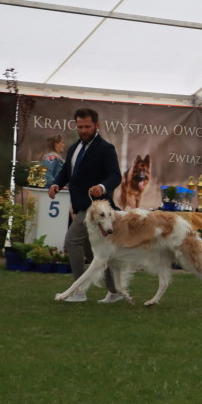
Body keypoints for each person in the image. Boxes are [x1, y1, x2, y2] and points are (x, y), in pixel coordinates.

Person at [49, 108, 123, 303]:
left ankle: (79, 291)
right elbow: (66, 172)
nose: (83, 130)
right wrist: (56, 183)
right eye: (80, 126)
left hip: (95, 210)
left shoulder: (106, 149)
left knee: (72, 240)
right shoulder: (74, 149)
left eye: (87, 126)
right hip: (82, 208)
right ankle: (115, 291)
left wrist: (102, 186)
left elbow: (116, 176)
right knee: (94, 252)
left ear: (97, 126)